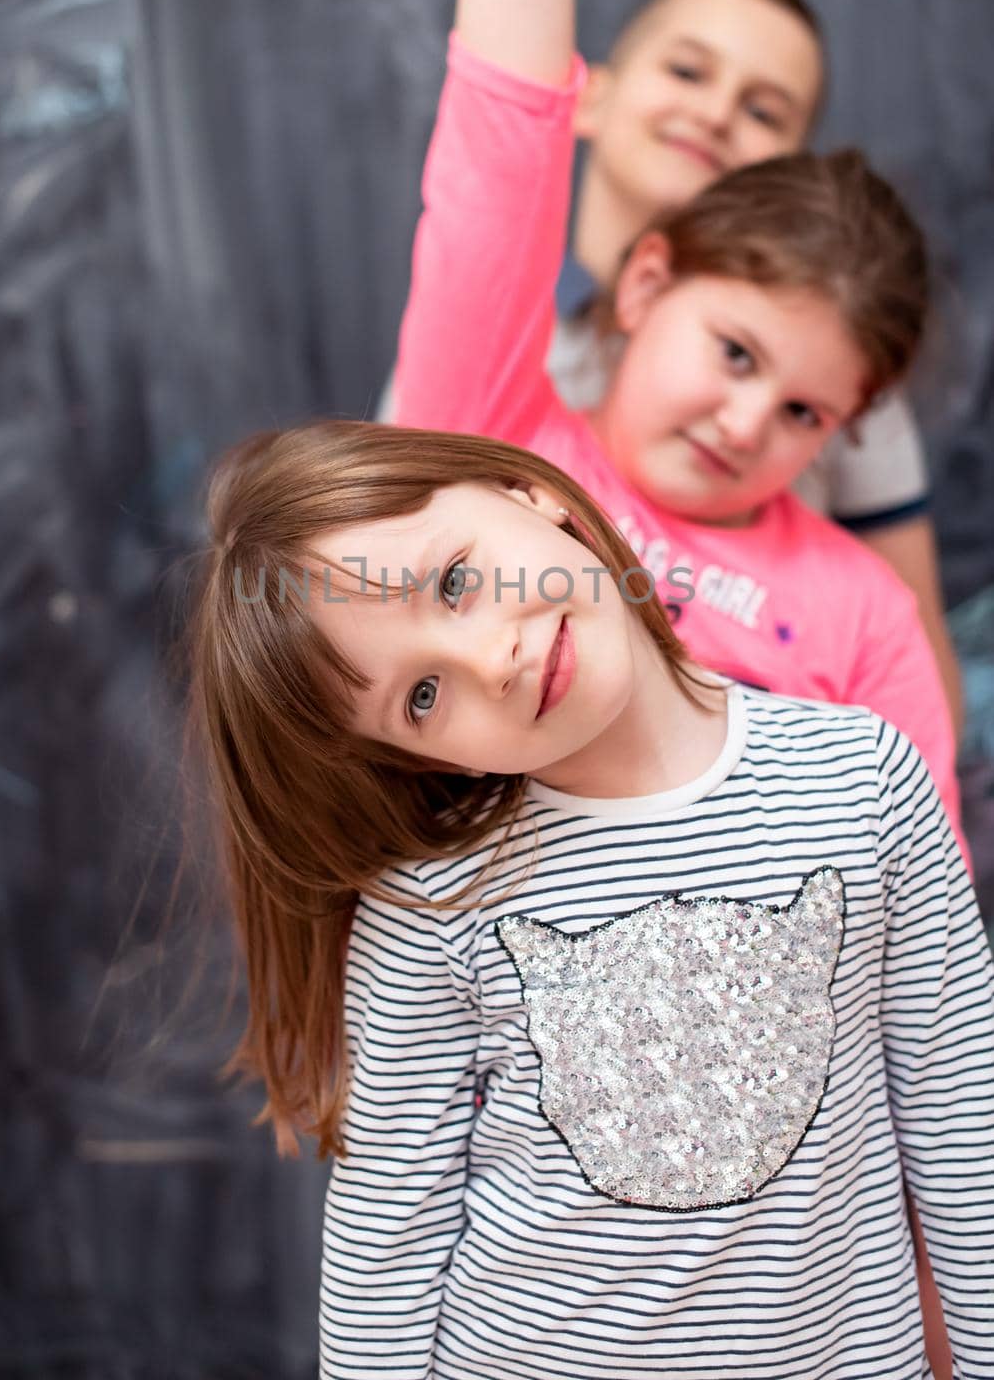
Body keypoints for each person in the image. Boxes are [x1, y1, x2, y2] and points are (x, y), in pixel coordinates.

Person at [189, 415, 994, 1377]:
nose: (489, 661)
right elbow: (385, 1244)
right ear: (410, 756)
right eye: (420, 698)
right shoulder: (432, 904)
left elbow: (961, 1127)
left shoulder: (859, 781)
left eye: (452, 581)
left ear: (537, 497)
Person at [391, 0, 970, 869]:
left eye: (801, 408)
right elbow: (494, 159)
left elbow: (916, 904)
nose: (746, 419)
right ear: (649, 284)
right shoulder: (492, 416)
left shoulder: (861, 614)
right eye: (734, 354)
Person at [556, 0, 965, 733]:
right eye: (686, 70)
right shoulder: (500, 351)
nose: (713, 115)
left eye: (762, 112)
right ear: (592, 93)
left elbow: (912, 664)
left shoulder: (843, 364)